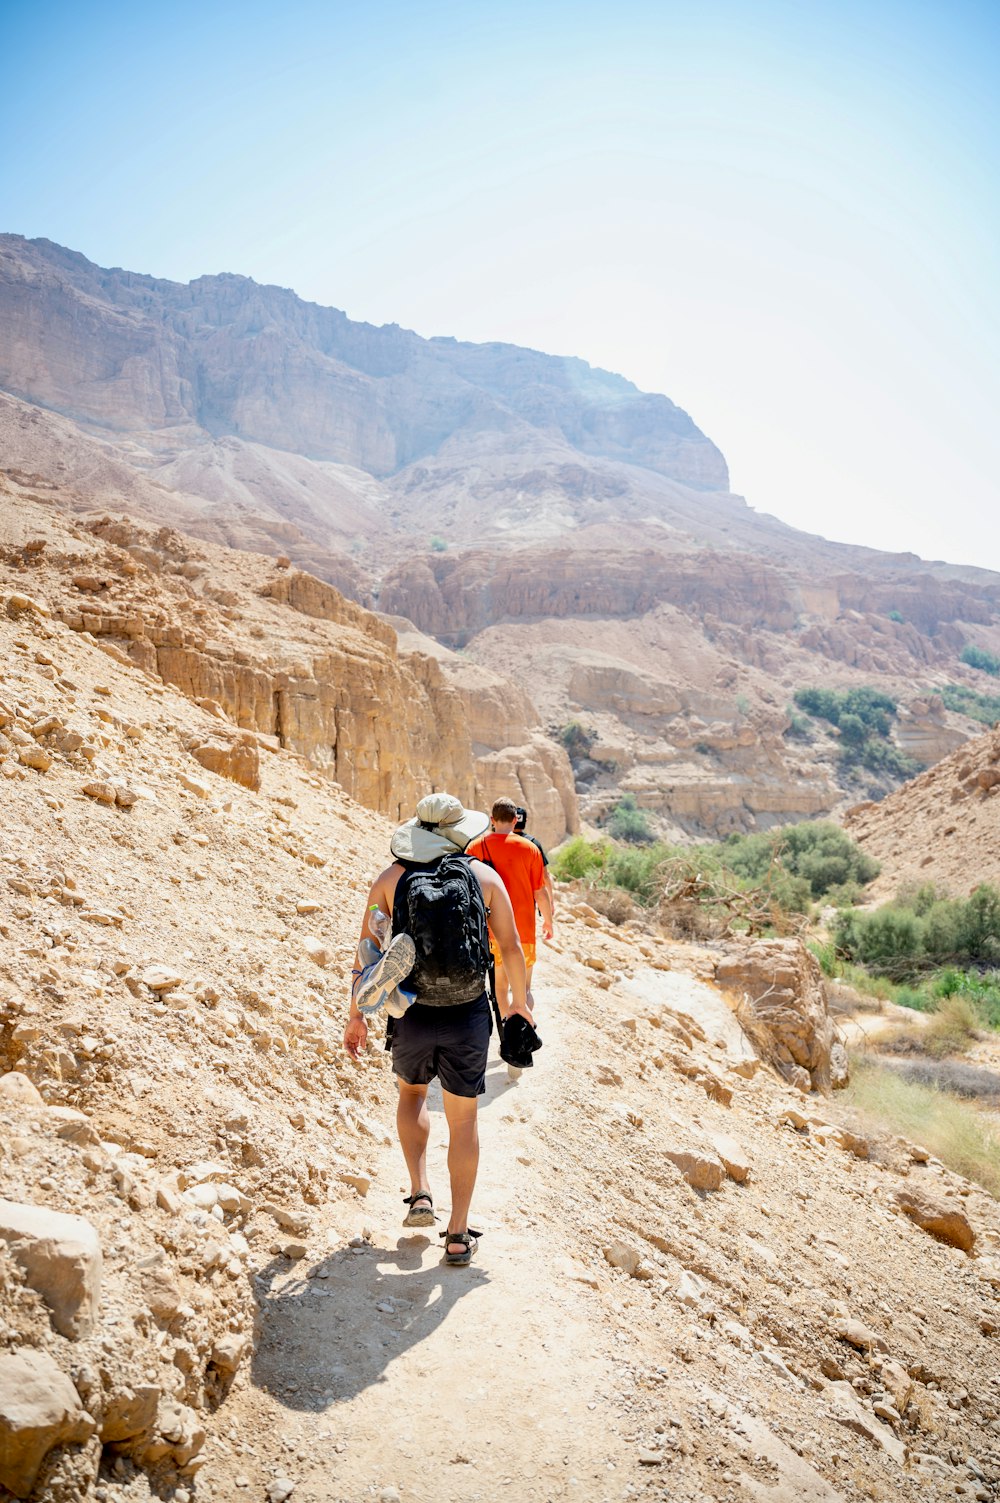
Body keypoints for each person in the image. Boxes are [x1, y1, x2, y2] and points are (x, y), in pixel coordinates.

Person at [343, 792, 532, 1267]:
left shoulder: (390, 879)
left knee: (411, 1095)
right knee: (464, 1120)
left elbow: (367, 952)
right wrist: (517, 1004)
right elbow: (509, 947)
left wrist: (355, 1015)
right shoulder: (484, 877)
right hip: (468, 1012)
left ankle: (419, 1193)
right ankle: (458, 1233)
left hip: (409, 1010)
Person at [466, 797, 554, 1074]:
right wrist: (549, 921)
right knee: (524, 989)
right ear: (516, 820)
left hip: (489, 932)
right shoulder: (530, 848)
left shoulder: (475, 847)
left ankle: (509, 1042)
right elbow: (540, 891)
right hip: (523, 931)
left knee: (499, 989)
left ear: (492, 820)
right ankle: (522, 1040)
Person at [514, 804, 555, 914]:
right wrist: (550, 901)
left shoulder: (500, 841)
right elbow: (545, 876)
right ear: (526, 821)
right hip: (527, 899)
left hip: (503, 897)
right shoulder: (533, 843)